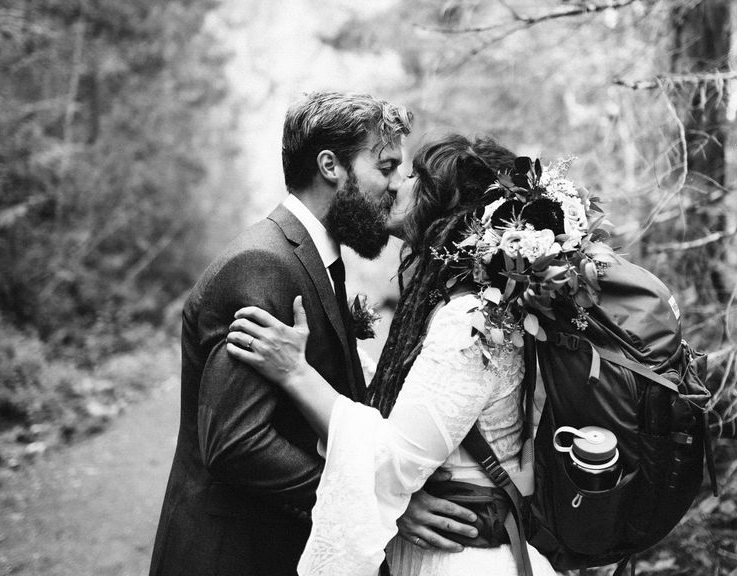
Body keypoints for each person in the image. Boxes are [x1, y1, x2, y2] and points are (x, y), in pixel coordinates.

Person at [148, 92, 477, 576]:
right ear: (330, 165)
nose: (394, 187)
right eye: (385, 168)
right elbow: (235, 441)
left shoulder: (313, 258)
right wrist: (373, 498)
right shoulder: (263, 263)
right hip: (229, 555)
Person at [225, 135, 563, 576]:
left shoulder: (471, 322)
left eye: (415, 176)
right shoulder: (465, 308)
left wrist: (294, 372)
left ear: (448, 208)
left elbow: (394, 462)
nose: (397, 185)